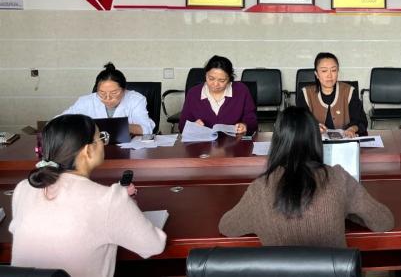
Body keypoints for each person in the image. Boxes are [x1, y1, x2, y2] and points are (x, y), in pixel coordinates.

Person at [9, 114, 166, 277]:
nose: (103, 143)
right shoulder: (109, 200)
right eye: (101, 138)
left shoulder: (24, 188)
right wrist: (126, 205)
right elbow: (153, 245)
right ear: (88, 150)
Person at [218, 106, 394, 246]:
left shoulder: (261, 187)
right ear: (316, 139)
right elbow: (384, 221)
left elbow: (227, 227)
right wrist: (344, 207)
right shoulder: (338, 178)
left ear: (277, 143)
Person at [62, 63, 155, 135]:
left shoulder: (136, 100)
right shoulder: (85, 101)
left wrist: (119, 126)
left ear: (124, 90)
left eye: (114, 93)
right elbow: (59, 120)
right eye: (102, 93)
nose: (107, 98)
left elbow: (146, 129)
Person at [178, 55, 257, 134]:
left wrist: (245, 126)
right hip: (203, 140)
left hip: (233, 140)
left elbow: (252, 121)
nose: (215, 84)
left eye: (222, 80)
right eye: (211, 78)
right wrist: (193, 126)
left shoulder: (241, 91)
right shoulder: (194, 93)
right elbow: (182, 126)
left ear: (229, 79)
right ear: (206, 75)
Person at [296, 52, 367, 138]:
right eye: (324, 71)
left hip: (344, 142)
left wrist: (352, 129)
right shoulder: (306, 94)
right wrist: (313, 127)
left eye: (333, 70)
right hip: (315, 142)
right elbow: (299, 122)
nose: (329, 75)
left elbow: (361, 121)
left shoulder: (349, 91)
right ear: (316, 74)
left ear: (338, 72)